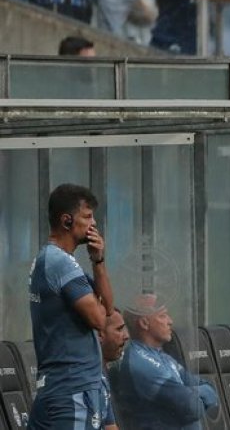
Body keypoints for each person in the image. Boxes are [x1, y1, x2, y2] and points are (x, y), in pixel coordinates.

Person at [28, 184, 115, 428]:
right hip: (71, 390)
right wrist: (98, 308)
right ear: (67, 220)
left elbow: (108, 307)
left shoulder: (61, 261)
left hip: (59, 387)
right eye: (87, 217)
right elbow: (100, 320)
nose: (93, 224)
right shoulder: (59, 263)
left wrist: (98, 260)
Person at [109, 294, 219, 429]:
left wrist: (189, 392)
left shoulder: (162, 356)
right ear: (144, 323)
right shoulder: (140, 362)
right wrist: (192, 393)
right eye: (163, 316)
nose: (170, 321)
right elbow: (193, 407)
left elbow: (211, 390)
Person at [99, 309, 130, 430]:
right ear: (100, 334)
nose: (126, 336)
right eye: (119, 329)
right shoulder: (90, 379)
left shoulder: (103, 374)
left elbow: (110, 426)